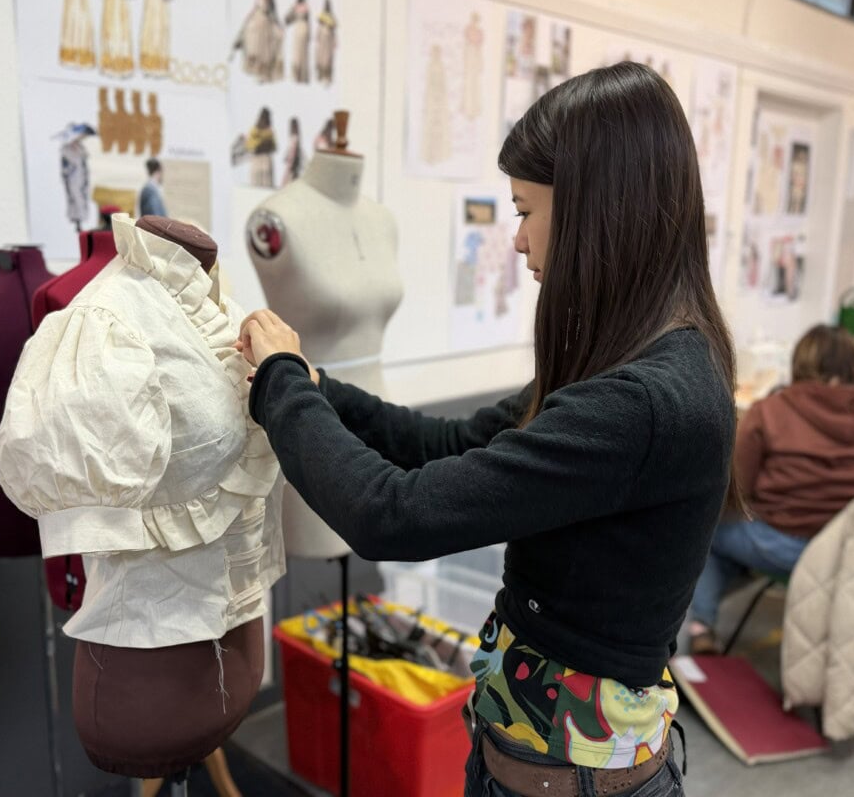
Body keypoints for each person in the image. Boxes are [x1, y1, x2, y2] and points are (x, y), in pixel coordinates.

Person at [237, 62, 738, 796]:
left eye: (525, 210)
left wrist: (281, 386)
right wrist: (318, 386)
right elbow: (448, 445)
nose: (517, 240)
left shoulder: (646, 402)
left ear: (598, 211)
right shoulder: (622, 364)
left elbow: (390, 516)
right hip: (524, 757)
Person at [687, 324, 854, 654]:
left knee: (707, 529)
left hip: (782, 546)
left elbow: (736, 489)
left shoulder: (772, 411)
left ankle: (701, 627)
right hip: (844, 554)